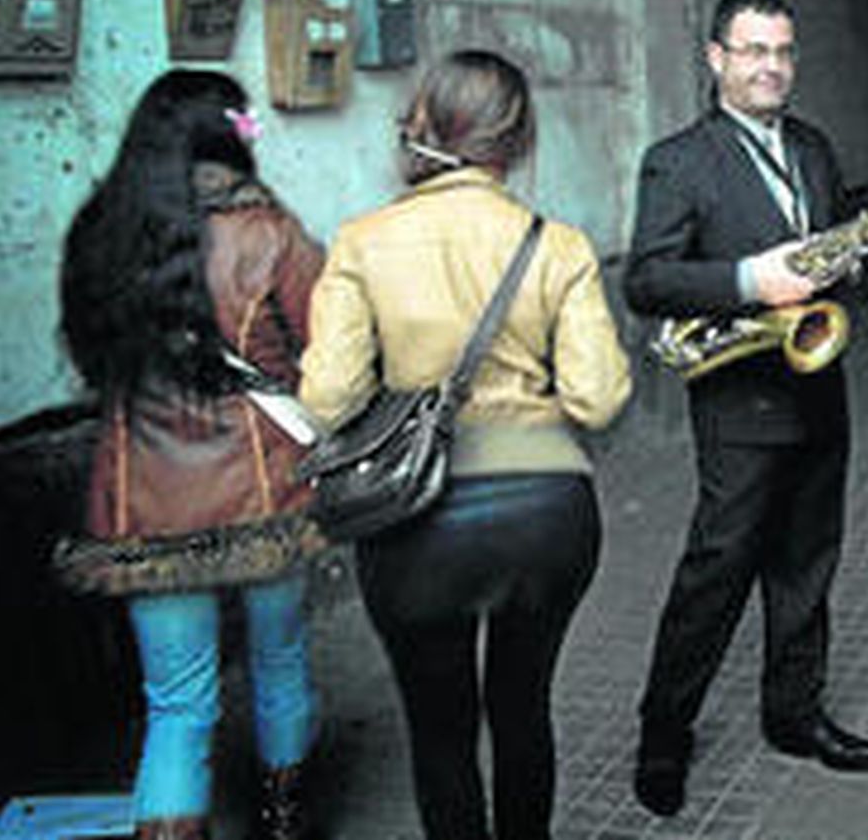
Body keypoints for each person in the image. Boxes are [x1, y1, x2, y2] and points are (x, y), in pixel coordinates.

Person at [298, 50, 631, 840]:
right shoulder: (558, 245)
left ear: (427, 125)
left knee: (440, 730)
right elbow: (600, 396)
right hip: (548, 515)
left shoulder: (362, 240)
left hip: (419, 524)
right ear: (516, 141)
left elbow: (328, 398)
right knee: (523, 711)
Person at [623, 0, 868, 817]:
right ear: (716, 59)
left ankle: (795, 716)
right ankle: (663, 737)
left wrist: (849, 266)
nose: (771, 67)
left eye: (782, 51)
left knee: (808, 566)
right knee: (717, 574)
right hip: (739, 403)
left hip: (819, 389)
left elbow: (836, 243)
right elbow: (647, 278)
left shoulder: (812, 146)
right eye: (753, 51)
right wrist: (748, 280)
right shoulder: (679, 159)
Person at [57, 69, 325, 840]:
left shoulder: (99, 231)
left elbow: (91, 359)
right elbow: (322, 348)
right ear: (227, 138)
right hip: (263, 495)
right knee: (280, 665)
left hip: (142, 501)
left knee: (177, 705)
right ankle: (284, 824)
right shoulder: (269, 231)